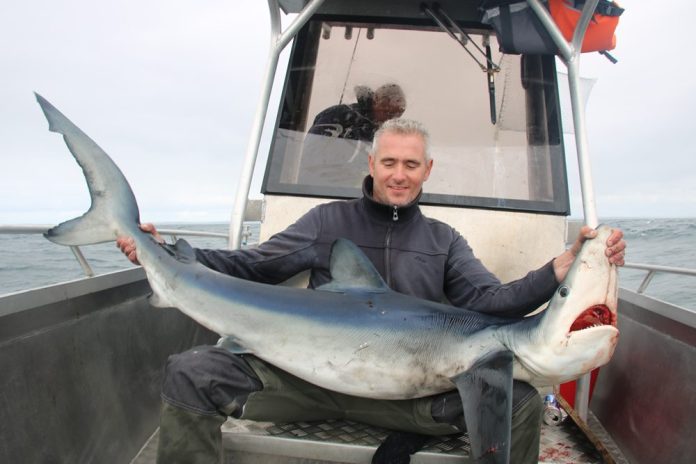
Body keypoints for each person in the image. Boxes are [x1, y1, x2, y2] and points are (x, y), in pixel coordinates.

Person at [117, 118, 625, 464]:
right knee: (191, 371)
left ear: (427, 171)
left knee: (519, 400)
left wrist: (559, 268)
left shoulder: (443, 241)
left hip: (406, 400)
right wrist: (168, 253)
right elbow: (254, 266)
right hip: (304, 384)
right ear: (372, 164)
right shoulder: (325, 223)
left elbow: (491, 304)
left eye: (410, 165)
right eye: (389, 163)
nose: (398, 175)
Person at [307, 83, 407, 141]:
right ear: (376, 100)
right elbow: (312, 151)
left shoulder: (377, 135)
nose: (389, 119)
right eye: (388, 112)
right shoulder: (339, 115)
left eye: (396, 117)